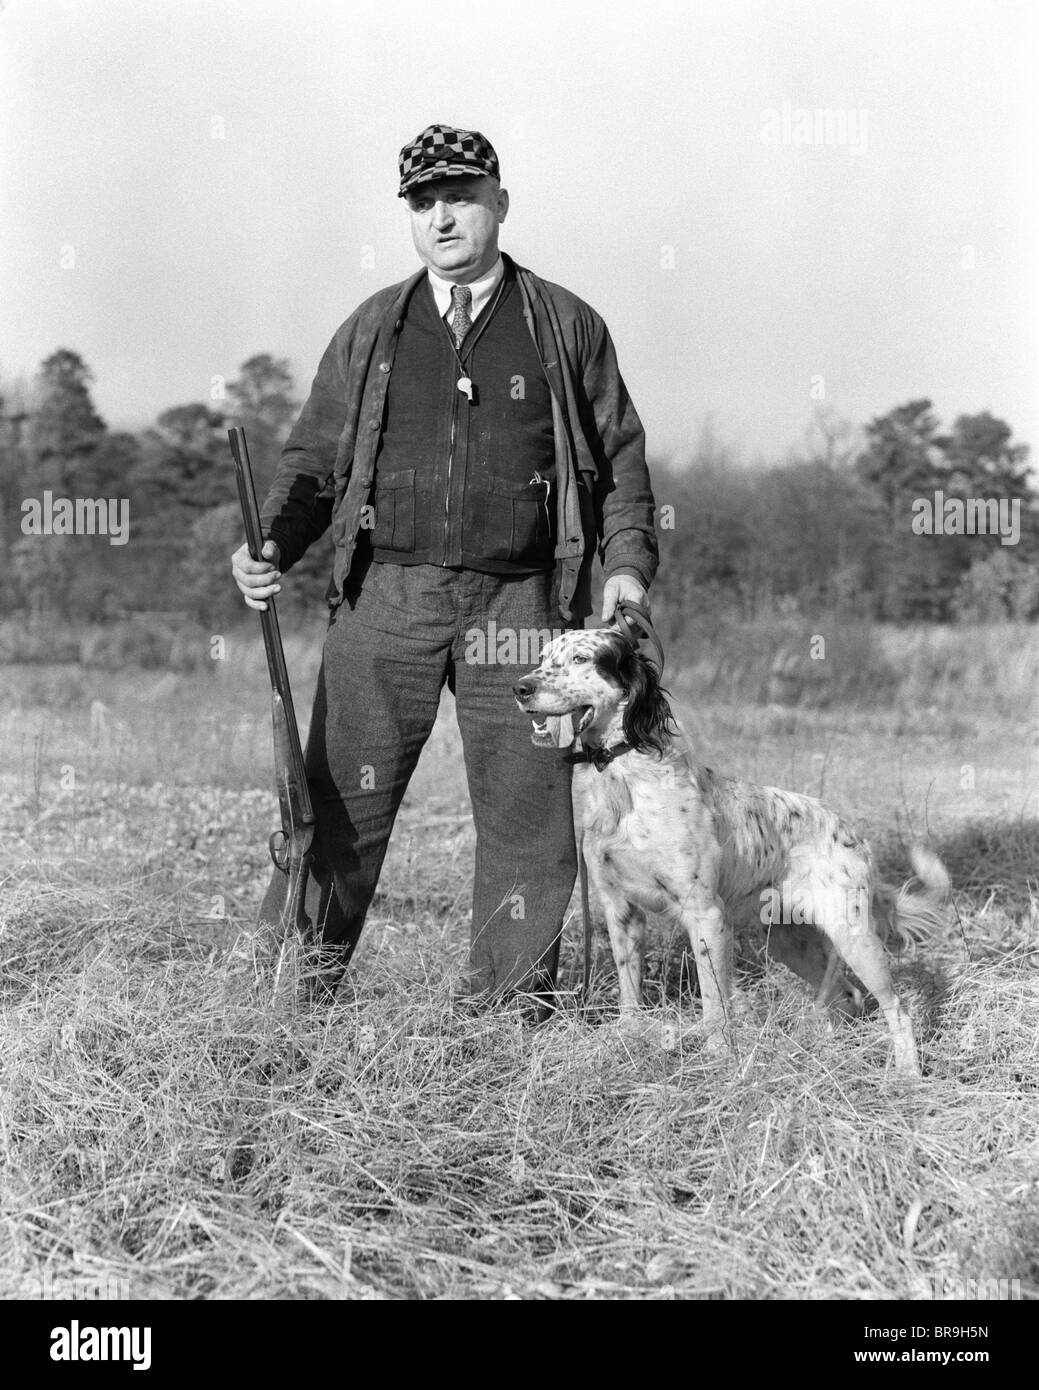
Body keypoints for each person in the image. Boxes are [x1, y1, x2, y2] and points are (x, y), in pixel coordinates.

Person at [231, 123, 658, 1014]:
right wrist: (271, 544)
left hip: (522, 605)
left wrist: (625, 569)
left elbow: (618, 461)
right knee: (337, 810)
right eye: (423, 204)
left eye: (459, 197)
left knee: (527, 822)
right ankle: (286, 1006)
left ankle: (504, 1026)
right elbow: (312, 461)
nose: (442, 217)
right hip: (386, 599)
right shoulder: (373, 328)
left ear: (499, 202)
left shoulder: (565, 325)